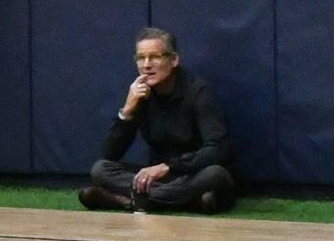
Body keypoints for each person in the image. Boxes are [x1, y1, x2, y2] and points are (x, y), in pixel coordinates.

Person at [79, 27, 240, 214]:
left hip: (193, 173)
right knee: (100, 169)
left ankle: (134, 201)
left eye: (155, 57)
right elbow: (109, 154)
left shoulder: (199, 92)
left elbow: (218, 150)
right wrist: (127, 111)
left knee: (215, 174)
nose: (147, 65)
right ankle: (184, 202)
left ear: (174, 60)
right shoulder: (140, 94)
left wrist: (169, 167)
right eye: (141, 58)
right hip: (164, 180)